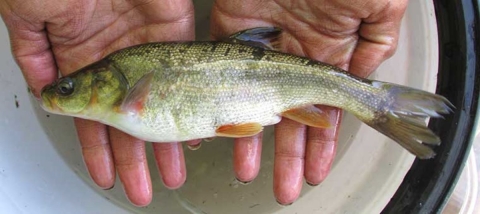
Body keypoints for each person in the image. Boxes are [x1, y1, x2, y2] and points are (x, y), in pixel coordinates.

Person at [0, 0, 407, 207]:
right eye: (68, 88)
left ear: (103, 81)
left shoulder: (125, 86)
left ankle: (376, 102)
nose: (58, 94)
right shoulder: (120, 82)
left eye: (68, 89)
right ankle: (376, 101)